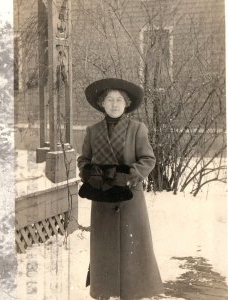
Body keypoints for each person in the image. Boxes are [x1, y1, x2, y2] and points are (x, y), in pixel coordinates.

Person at [77, 78, 163, 300]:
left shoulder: (137, 129)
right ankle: (105, 291)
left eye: (118, 100)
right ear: (101, 104)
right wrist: (89, 172)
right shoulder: (92, 131)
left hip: (129, 199)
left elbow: (148, 159)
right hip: (102, 199)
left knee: (131, 249)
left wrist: (128, 176)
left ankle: (132, 293)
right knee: (104, 248)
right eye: (109, 100)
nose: (114, 104)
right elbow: (83, 159)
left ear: (126, 104)